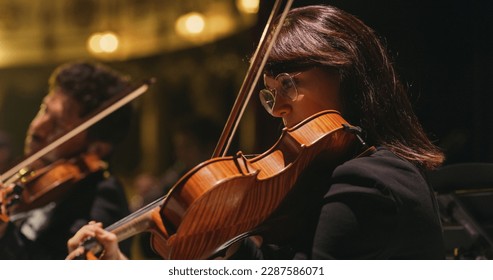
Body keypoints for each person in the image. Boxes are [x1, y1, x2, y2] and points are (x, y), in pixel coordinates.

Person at [66, 5, 445, 260]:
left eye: (288, 85)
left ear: (347, 73)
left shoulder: (368, 180)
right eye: (270, 94)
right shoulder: (338, 177)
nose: (279, 109)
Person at [0, 61, 133, 259]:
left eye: (58, 124)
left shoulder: (102, 197)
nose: (37, 127)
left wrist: (5, 233)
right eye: (44, 110)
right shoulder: (24, 179)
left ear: (97, 148)